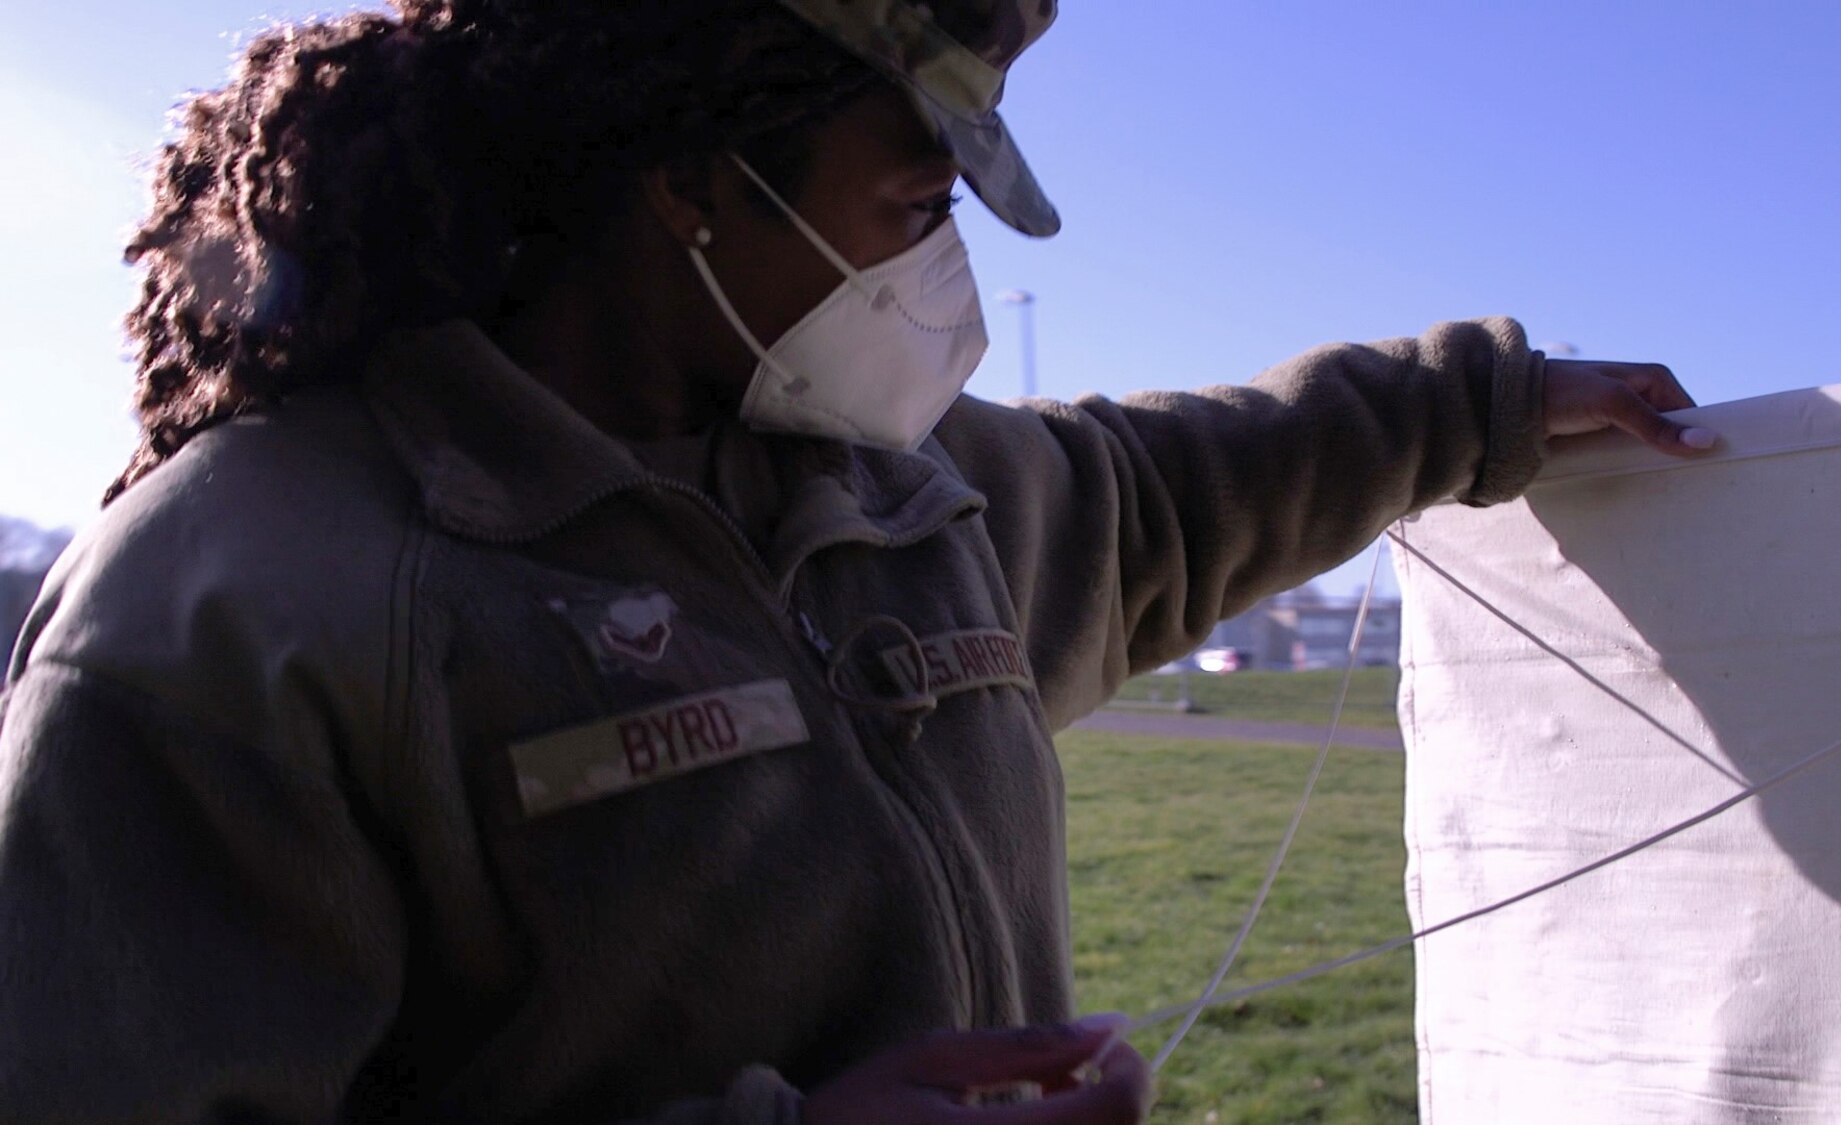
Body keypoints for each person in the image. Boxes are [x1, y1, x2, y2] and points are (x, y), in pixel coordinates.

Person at [0, 1, 1710, 1122]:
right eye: (916, 204)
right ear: (688, 180)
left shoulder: (913, 491)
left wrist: (1482, 400)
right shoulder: (242, 600)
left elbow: (1178, 485)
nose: (939, 271)